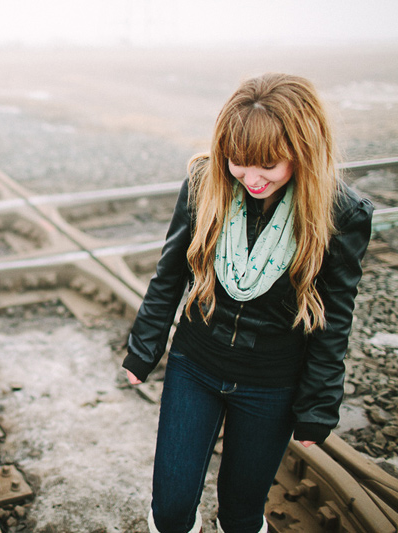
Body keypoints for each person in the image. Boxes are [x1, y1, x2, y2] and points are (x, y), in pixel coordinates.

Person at [123, 73, 373, 533]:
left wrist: (317, 405)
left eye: (268, 166)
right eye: (239, 162)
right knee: (171, 509)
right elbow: (170, 273)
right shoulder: (206, 184)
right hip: (195, 363)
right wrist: (144, 348)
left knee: (241, 514)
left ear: (302, 151)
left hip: (271, 382)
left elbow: (336, 316)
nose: (251, 178)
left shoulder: (340, 213)